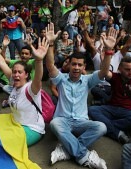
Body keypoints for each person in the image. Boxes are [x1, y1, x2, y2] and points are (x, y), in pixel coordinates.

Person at [45, 23, 116, 169]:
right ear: (69, 65)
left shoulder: (88, 80)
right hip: (62, 121)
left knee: (101, 127)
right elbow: (50, 66)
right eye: (74, 64)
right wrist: (51, 44)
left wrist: (108, 50)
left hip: (81, 123)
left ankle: (65, 149)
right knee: (54, 124)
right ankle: (84, 156)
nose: (76, 68)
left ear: (84, 67)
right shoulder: (61, 79)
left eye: (79, 65)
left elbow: (103, 72)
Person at [0, 37, 49, 146]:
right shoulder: (13, 82)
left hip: (32, 129)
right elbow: (2, 63)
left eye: (20, 72)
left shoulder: (31, 88)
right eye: (14, 72)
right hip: (16, 124)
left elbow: (38, 77)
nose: (16, 74)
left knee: (1, 144)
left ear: (26, 75)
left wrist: (39, 60)